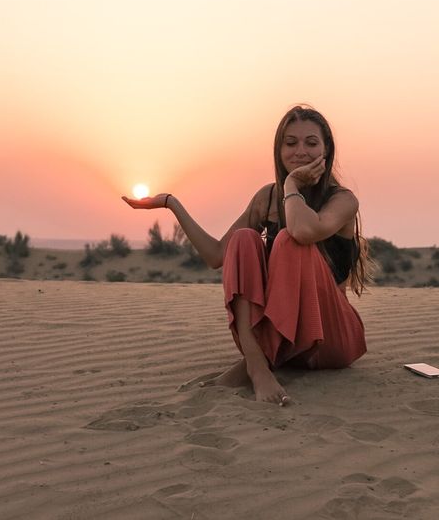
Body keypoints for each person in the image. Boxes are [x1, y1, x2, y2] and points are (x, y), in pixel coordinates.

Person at [122, 105, 371, 406]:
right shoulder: (266, 197)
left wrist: (292, 184)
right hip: (289, 344)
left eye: (311, 142)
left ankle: (256, 363)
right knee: (243, 239)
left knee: (289, 241)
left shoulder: (343, 200)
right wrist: (170, 203)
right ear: (278, 150)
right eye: (290, 143)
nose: (300, 151)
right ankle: (257, 365)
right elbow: (217, 255)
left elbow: (303, 231)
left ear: (326, 149)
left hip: (332, 337)